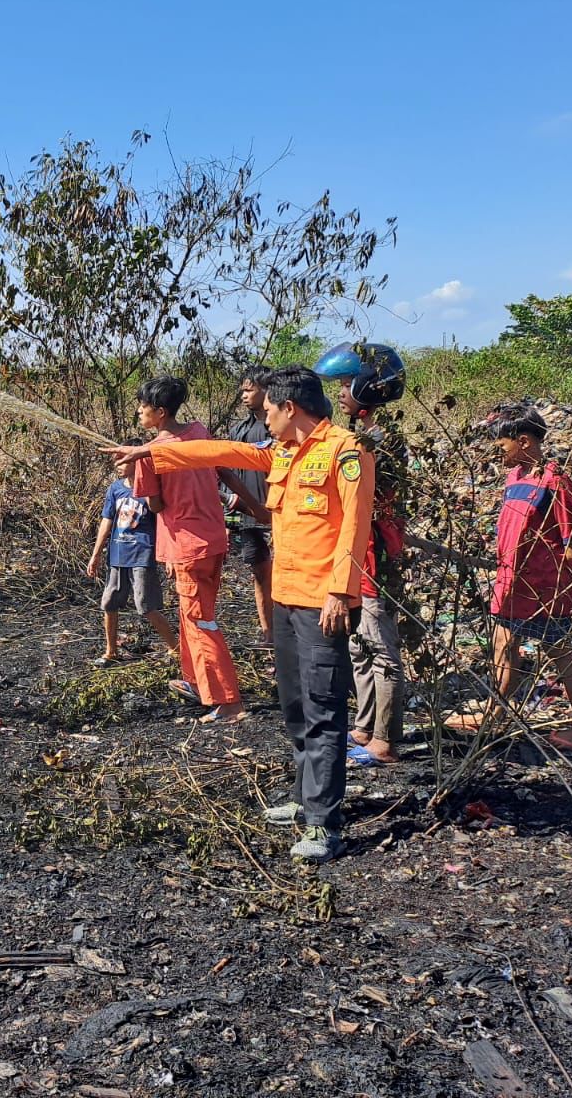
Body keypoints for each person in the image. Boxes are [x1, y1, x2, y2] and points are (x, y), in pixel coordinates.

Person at [108, 366, 374, 863]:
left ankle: (324, 823)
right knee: (295, 704)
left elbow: (355, 528)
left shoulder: (346, 451)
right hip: (287, 597)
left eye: (269, 409)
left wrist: (341, 592)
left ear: (289, 407)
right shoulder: (283, 452)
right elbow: (219, 451)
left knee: (323, 708)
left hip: (324, 602)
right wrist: (148, 453)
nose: (264, 418)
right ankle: (304, 799)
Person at [462, 403, 572, 750]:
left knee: (560, 650)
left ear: (523, 441)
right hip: (512, 583)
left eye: (502, 446)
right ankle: (495, 713)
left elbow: (571, 539)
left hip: (543, 586)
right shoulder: (514, 478)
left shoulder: (553, 481)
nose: (498, 453)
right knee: (502, 643)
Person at [313, 343, 409, 767]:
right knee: (360, 646)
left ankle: (385, 739)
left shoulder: (378, 442)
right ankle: (366, 725)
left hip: (376, 556)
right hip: (358, 556)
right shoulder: (366, 436)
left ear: (369, 386)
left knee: (381, 647)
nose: (340, 393)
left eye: (346, 384)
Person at [129, 377, 244, 722]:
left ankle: (227, 701)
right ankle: (196, 682)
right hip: (211, 539)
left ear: (160, 412)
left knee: (200, 621)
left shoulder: (149, 455)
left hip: (188, 545)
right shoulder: (198, 432)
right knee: (191, 613)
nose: (139, 412)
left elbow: (155, 504)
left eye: (143, 407)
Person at [87, 456, 177, 665]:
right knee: (109, 603)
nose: (117, 466)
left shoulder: (151, 490)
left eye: (123, 461)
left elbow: (165, 522)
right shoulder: (115, 489)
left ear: (137, 462)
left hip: (142, 554)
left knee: (145, 606)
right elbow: (107, 521)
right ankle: (111, 651)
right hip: (118, 554)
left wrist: (168, 556)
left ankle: (176, 647)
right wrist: (96, 554)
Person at [221, 366, 275, 649]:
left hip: (280, 515)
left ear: (266, 390)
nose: (243, 395)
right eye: (242, 390)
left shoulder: (281, 428)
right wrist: (229, 519)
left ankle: (290, 633)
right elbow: (229, 474)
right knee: (259, 573)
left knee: (285, 574)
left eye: (249, 390)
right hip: (248, 517)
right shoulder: (239, 430)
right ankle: (268, 633)